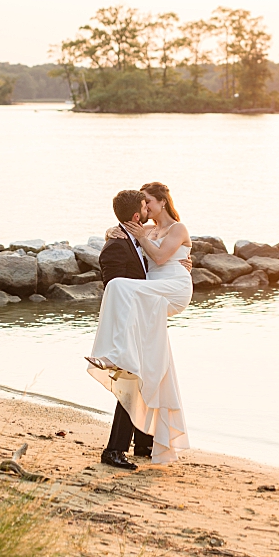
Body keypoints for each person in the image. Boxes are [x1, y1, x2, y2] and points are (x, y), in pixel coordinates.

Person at [86, 181, 193, 466]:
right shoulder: (142, 230)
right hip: (147, 303)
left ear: (161, 202)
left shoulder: (173, 229)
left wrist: (138, 235)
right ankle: (146, 442)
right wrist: (116, 229)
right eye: (142, 204)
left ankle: (113, 354)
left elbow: (158, 256)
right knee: (151, 369)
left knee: (136, 367)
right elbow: (121, 235)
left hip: (167, 291)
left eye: (148, 201)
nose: (145, 207)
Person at [96, 189, 155, 470]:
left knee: (145, 381)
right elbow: (114, 291)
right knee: (131, 385)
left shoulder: (135, 238)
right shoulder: (116, 247)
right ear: (136, 215)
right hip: (127, 328)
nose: (149, 211)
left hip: (143, 325)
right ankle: (114, 450)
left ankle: (143, 442)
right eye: (145, 207)